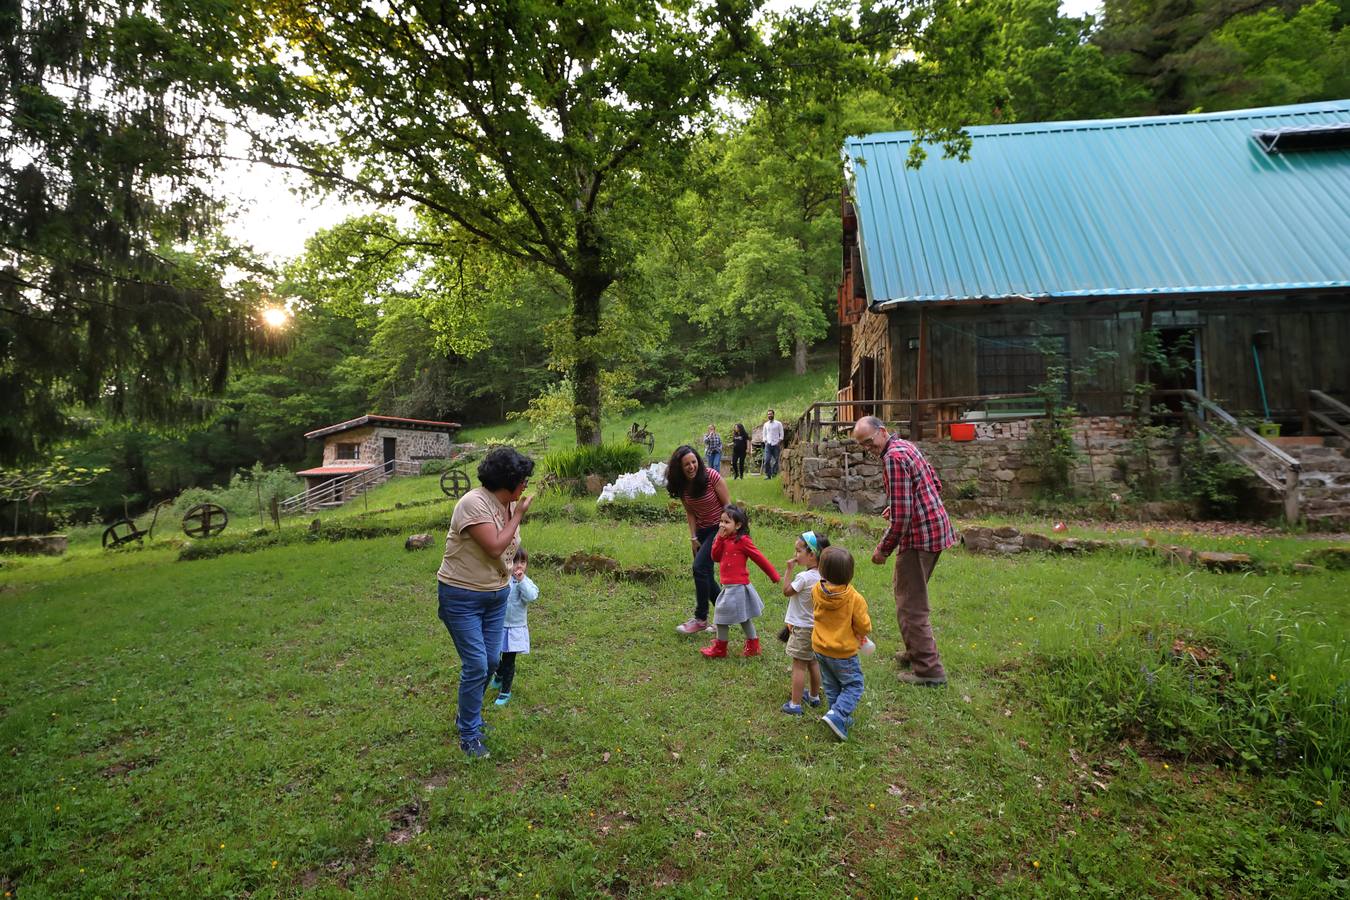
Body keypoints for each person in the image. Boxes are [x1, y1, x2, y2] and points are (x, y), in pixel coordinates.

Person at [436, 446, 534, 759]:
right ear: (511, 480)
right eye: (523, 479)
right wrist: (518, 516)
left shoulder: (507, 502)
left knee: (491, 662)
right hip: (461, 596)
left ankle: (469, 717)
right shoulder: (473, 503)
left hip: (496, 596)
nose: (526, 485)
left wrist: (514, 513)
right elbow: (494, 547)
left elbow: (508, 551)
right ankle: (468, 734)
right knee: (477, 664)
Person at [851, 414, 956, 687]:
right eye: (862, 445)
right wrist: (900, 504)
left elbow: (902, 519)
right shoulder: (906, 446)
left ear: (882, 431)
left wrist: (883, 549)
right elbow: (933, 483)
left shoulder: (892, 458)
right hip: (936, 530)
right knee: (909, 592)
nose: (868, 449)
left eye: (869, 442)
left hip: (919, 538)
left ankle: (929, 669)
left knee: (910, 604)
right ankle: (914, 650)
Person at [701, 504, 781, 658]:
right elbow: (715, 557)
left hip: (737, 587)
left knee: (721, 617)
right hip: (728, 587)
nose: (722, 525)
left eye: (727, 522)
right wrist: (718, 538)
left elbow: (759, 558)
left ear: (738, 525)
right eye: (721, 521)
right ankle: (752, 645)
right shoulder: (723, 540)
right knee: (743, 618)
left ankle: (721, 648)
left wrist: (774, 575)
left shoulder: (743, 541)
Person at [667, 445, 730, 635]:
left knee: (699, 568)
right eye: (686, 464)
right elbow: (690, 512)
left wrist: (723, 532)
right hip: (701, 532)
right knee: (706, 575)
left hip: (719, 528)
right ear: (679, 467)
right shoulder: (682, 486)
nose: (691, 467)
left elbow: (728, 505)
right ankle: (725, 614)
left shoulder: (711, 476)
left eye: (694, 462)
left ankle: (701, 619)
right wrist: (693, 537)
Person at [812, 546, 872, 741]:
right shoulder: (854, 598)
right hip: (843, 652)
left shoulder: (816, 590)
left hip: (820, 647)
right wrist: (862, 635)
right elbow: (863, 626)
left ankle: (836, 716)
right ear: (850, 572)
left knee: (831, 685)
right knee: (854, 685)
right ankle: (837, 715)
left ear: (822, 570)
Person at [779, 530, 828, 714]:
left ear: (812, 555)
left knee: (799, 665)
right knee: (813, 662)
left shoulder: (804, 578)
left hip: (801, 628)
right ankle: (814, 697)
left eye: (799, 551)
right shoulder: (823, 576)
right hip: (816, 628)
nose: (795, 555)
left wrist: (789, 570)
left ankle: (795, 704)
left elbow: (786, 591)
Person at [490, 546, 539, 707]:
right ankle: (498, 673)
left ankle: (505, 691)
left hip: (515, 628)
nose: (519, 565)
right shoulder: (502, 578)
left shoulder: (525, 582)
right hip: (498, 625)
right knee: (494, 657)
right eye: (514, 561)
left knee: (509, 660)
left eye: (522, 562)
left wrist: (521, 581)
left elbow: (532, 596)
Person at [761, 409, 784, 477]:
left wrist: (778, 442)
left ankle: (774, 473)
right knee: (767, 460)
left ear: (773, 414)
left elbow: (781, 434)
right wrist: (765, 441)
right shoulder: (765, 424)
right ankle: (768, 475)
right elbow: (764, 435)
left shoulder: (778, 423)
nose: (769, 415)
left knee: (776, 460)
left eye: (770, 414)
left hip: (776, 444)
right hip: (768, 445)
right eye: (768, 414)